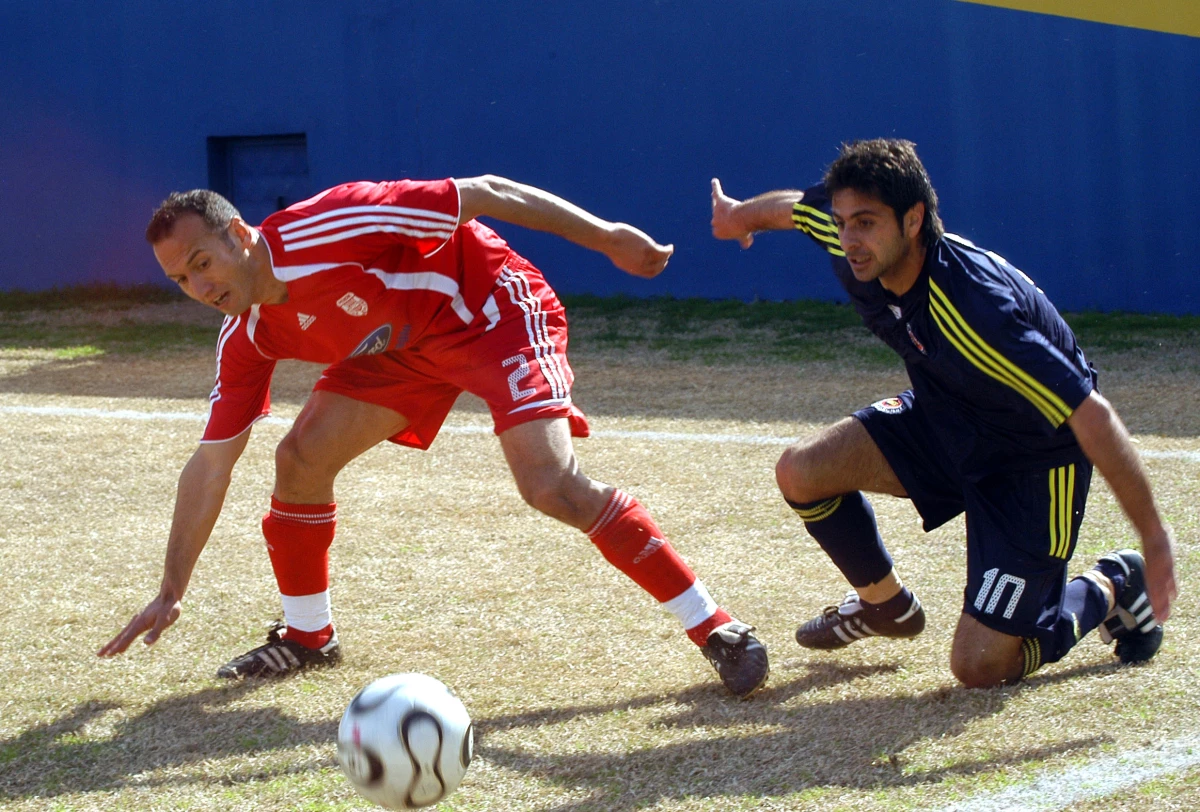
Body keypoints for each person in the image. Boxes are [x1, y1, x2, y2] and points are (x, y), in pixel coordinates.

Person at [98, 175, 769, 698]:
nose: (198, 286)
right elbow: (211, 464)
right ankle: (308, 638)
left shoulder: (329, 222)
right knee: (299, 460)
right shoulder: (245, 335)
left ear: (240, 235)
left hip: (489, 310)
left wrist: (609, 237)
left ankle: (716, 627)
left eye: (202, 263)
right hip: (400, 349)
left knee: (549, 485)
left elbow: (486, 192)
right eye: (180, 279)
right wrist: (170, 587)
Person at [710, 139, 1177, 687]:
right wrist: (739, 216)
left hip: (1033, 461)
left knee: (980, 667)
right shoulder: (852, 245)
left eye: (865, 222)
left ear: (914, 220)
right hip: (950, 417)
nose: (850, 239)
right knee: (801, 470)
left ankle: (1112, 585)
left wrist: (1155, 535)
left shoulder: (977, 308)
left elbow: (1091, 417)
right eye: (842, 223)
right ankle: (886, 607)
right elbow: (796, 208)